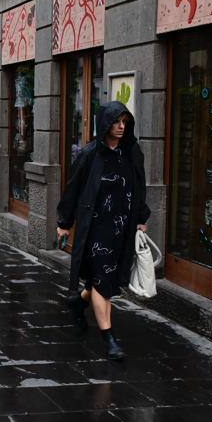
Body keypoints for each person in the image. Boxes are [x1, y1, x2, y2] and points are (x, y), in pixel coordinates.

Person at [56, 101, 149, 361]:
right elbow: (73, 188)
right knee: (101, 282)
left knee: (107, 279)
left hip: (122, 227)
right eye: (116, 122)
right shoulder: (90, 154)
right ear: (105, 123)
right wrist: (64, 223)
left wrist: (141, 218)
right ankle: (109, 337)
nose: (121, 127)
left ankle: (79, 302)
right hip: (95, 228)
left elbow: (140, 186)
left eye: (124, 122)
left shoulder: (131, 152)